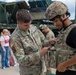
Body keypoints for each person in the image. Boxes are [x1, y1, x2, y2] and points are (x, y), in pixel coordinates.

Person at [10, 9, 55, 75]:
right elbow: (21, 60)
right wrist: (39, 54)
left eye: (29, 24)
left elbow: (43, 42)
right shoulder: (15, 38)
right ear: (18, 23)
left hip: (41, 69)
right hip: (29, 72)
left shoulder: (33, 28)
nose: (28, 27)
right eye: (25, 25)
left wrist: (49, 42)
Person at [45, 1, 76, 75]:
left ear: (63, 16)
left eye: (56, 21)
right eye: (53, 22)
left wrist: (64, 65)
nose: (55, 24)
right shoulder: (63, 31)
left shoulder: (73, 31)